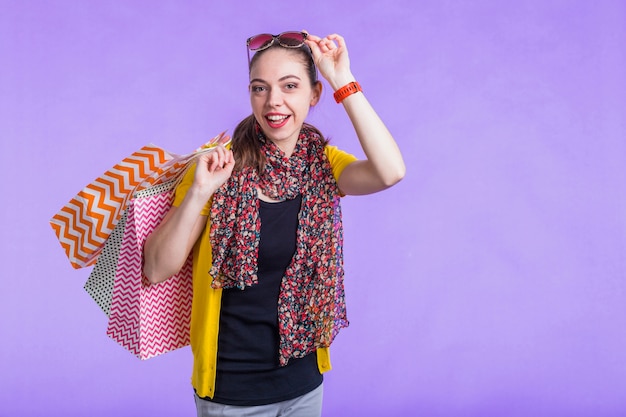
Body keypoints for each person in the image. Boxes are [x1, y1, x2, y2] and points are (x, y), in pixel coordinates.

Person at [143, 30, 405, 417]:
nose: (273, 101)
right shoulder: (217, 167)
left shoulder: (324, 166)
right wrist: (199, 193)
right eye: (260, 88)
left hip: (303, 382)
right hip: (231, 391)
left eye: (290, 86)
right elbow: (156, 268)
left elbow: (390, 172)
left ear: (314, 95)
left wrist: (342, 80)